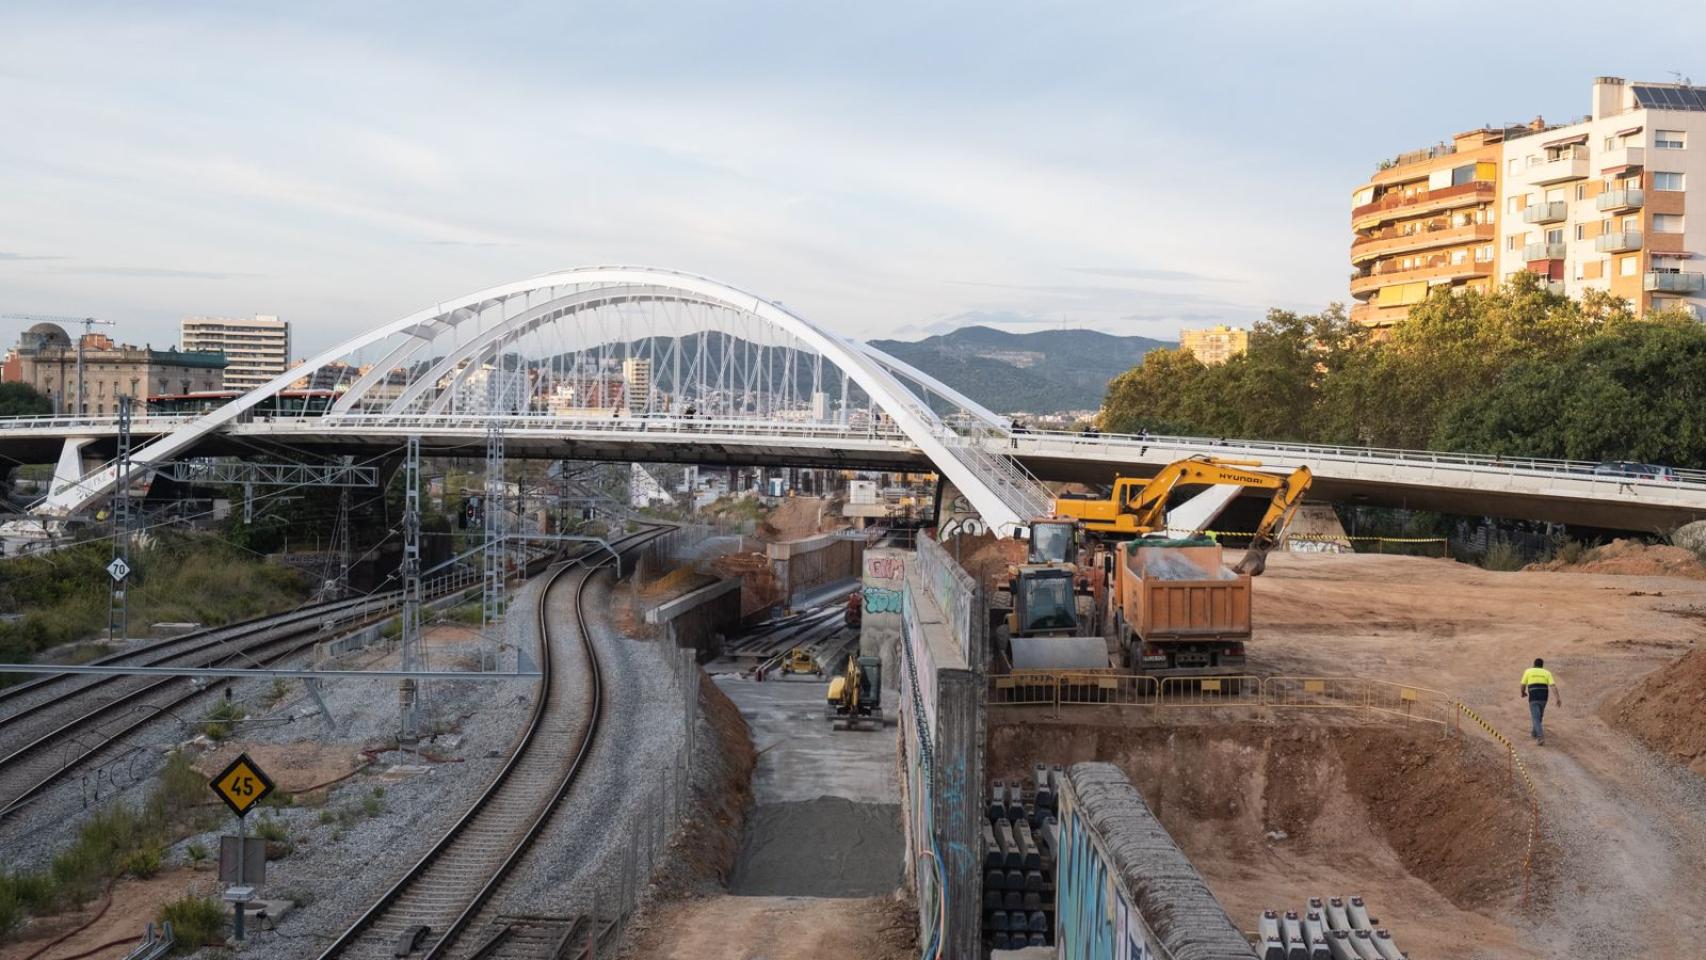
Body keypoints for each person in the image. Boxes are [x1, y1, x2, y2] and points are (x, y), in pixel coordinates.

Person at [1519, 658, 1560, 745]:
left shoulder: (1528, 671)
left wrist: (1522, 692)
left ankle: (1540, 737)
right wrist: (1558, 698)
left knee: (1536, 717)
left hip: (1533, 697)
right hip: (1544, 698)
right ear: (1542, 665)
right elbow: (1553, 686)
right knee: (1539, 717)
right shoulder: (1547, 673)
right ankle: (1534, 733)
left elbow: (1523, 684)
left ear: (1534, 664)